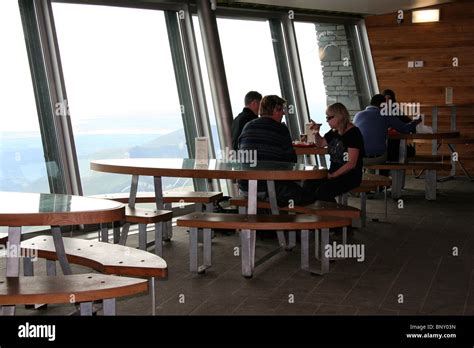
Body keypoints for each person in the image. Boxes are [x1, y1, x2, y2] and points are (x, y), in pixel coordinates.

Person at [238, 95, 314, 207]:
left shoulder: (247, 126)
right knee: (309, 194)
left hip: (246, 188)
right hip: (269, 189)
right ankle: (288, 223)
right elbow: (291, 162)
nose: (283, 113)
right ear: (275, 110)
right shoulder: (281, 129)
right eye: (281, 110)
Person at [310, 103, 365, 202]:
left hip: (349, 176)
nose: (327, 121)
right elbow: (321, 143)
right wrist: (316, 132)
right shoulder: (334, 131)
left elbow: (351, 163)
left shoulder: (353, 133)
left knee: (323, 191)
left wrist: (334, 175)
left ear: (339, 116)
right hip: (333, 173)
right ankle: (321, 213)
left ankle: (335, 214)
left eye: (329, 117)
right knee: (309, 185)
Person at [353, 94, 421, 166]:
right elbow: (405, 129)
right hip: (377, 157)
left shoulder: (358, 115)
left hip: (358, 158)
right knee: (392, 152)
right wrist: (416, 121)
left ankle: (373, 176)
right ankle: (387, 175)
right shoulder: (385, 114)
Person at [382, 89, 417, 161]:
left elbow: (408, 122)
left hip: (396, 141)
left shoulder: (396, 110)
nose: (387, 101)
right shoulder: (379, 111)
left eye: (389, 99)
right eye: (385, 99)